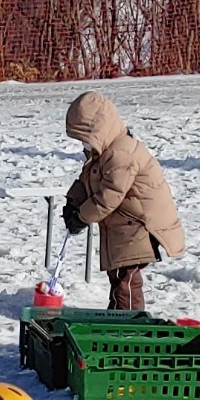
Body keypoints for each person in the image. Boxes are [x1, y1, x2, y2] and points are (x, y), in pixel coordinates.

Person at [61, 89, 184, 313]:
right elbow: (88, 178)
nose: (83, 146)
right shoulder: (105, 150)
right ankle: (117, 310)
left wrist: (82, 216)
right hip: (125, 222)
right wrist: (73, 201)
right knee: (118, 274)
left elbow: (110, 194)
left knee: (126, 277)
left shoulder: (122, 153)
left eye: (84, 139)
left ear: (99, 130)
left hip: (140, 224)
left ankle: (128, 321)